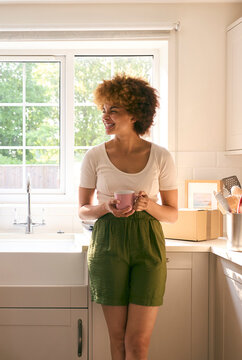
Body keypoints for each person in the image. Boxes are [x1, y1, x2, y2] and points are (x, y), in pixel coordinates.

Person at [78, 74, 178, 360]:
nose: (105, 116)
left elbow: (172, 215)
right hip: (108, 245)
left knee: (138, 342)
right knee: (118, 339)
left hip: (148, 246)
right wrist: (105, 207)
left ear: (135, 114)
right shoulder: (94, 156)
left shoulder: (161, 156)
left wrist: (148, 206)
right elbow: (83, 209)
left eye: (114, 111)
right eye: (103, 110)